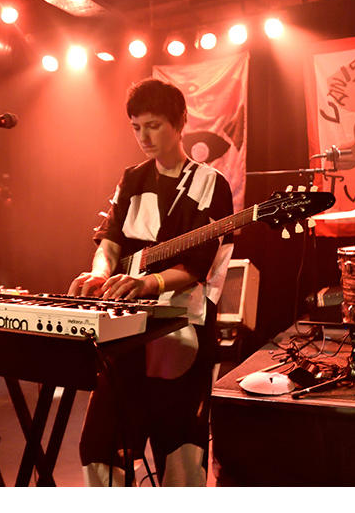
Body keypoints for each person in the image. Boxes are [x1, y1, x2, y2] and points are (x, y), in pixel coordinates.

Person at [68, 78, 234, 486]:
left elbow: (196, 267)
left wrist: (147, 284)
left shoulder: (212, 183)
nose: (144, 137)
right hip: (125, 333)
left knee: (180, 453)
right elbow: (110, 240)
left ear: (181, 123)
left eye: (154, 125)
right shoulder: (132, 178)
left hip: (183, 333)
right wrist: (100, 273)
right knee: (100, 445)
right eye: (136, 127)